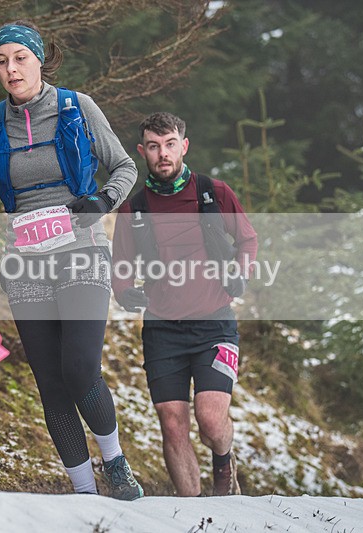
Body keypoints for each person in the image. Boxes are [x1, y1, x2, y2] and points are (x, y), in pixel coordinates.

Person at [0, 20, 143, 500]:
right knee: (51, 383)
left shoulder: (75, 107)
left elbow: (124, 166)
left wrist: (102, 202)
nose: (11, 69)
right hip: (25, 261)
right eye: (2, 61)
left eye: (20, 58)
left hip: (81, 252)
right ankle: (84, 493)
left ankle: (116, 463)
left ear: (40, 60)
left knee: (79, 367)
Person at [111, 112, 257, 497]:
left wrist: (240, 273)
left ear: (183, 146)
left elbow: (248, 240)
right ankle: (193, 513)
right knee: (172, 423)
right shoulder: (133, 209)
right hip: (161, 329)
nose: (163, 154)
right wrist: (125, 293)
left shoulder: (214, 192)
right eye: (155, 147)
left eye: (170, 144)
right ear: (143, 151)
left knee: (210, 420)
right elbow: (120, 268)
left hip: (215, 325)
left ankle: (224, 459)